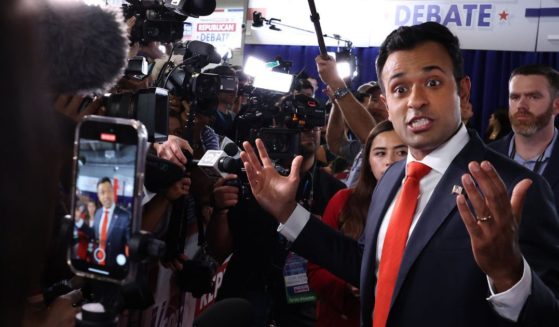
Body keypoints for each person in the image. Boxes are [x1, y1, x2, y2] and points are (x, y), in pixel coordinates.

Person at [239, 22, 559, 327]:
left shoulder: (514, 188)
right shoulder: (392, 178)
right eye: (400, 88)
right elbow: (370, 265)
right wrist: (287, 212)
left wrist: (509, 277)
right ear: (386, 104)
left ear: (462, 90)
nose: (416, 101)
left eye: (432, 83)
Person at [208, 120, 345, 326]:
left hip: (303, 306)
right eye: (296, 120)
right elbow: (219, 252)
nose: (308, 128)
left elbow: (343, 259)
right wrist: (220, 210)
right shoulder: (251, 180)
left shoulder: (335, 191)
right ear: (277, 126)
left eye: (312, 119)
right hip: (245, 299)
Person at [308, 120, 407, 327]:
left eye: (401, 152)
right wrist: (348, 284)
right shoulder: (343, 201)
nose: (390, 161)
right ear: (368, 162)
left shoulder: (429, 205)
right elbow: (316, 271)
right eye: (380, 153)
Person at [489, 64, 559, 210]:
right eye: (514, 97)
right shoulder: (483, 156)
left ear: (556, 105)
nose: (521, 105)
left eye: (533, 97)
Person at [93, 177, 131, 267]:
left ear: (113, 192)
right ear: (98, 196)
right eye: (102, 192)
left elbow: (130, 243)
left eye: (109, 191)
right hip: (96, 262)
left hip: (115, 266)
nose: (106, 195)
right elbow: (95, 235)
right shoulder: (97, 213)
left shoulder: (125, 216)